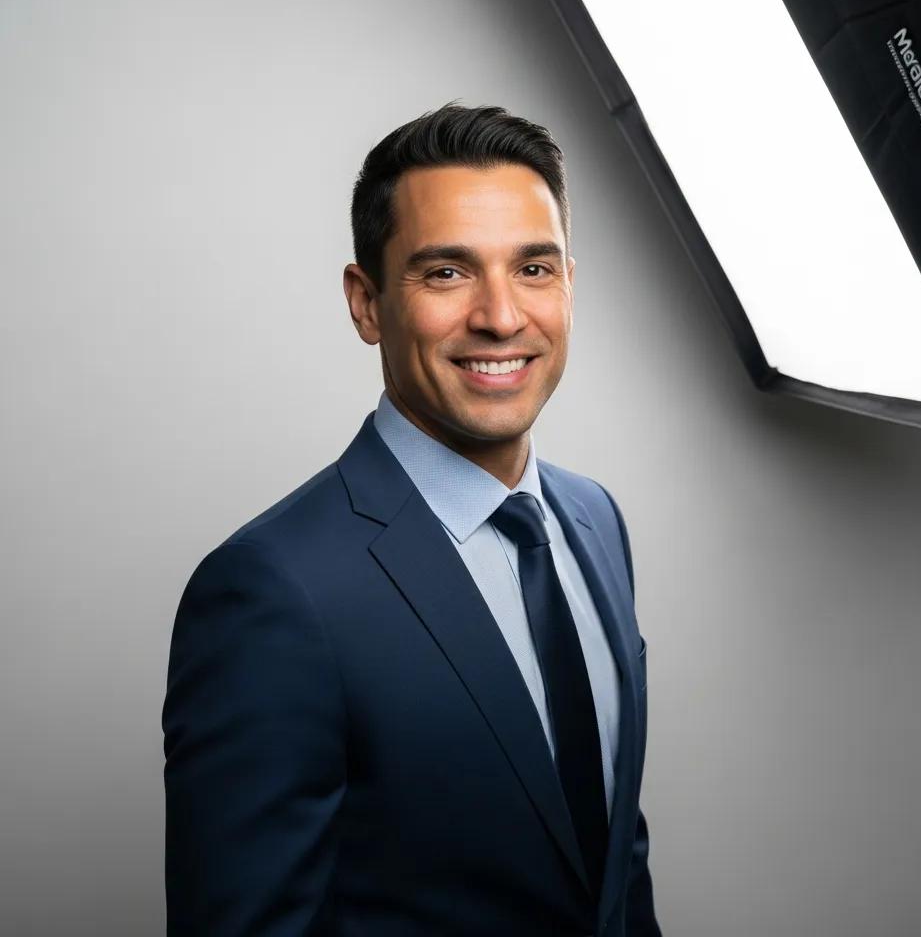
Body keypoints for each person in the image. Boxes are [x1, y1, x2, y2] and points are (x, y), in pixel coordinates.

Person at [162, 102, 661, 936]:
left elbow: (613, 867)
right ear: (365, 303)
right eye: (446, 273)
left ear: (570, 283)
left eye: (533, 268)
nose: (502, 316)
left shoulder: (595, 522)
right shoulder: (273, 596)